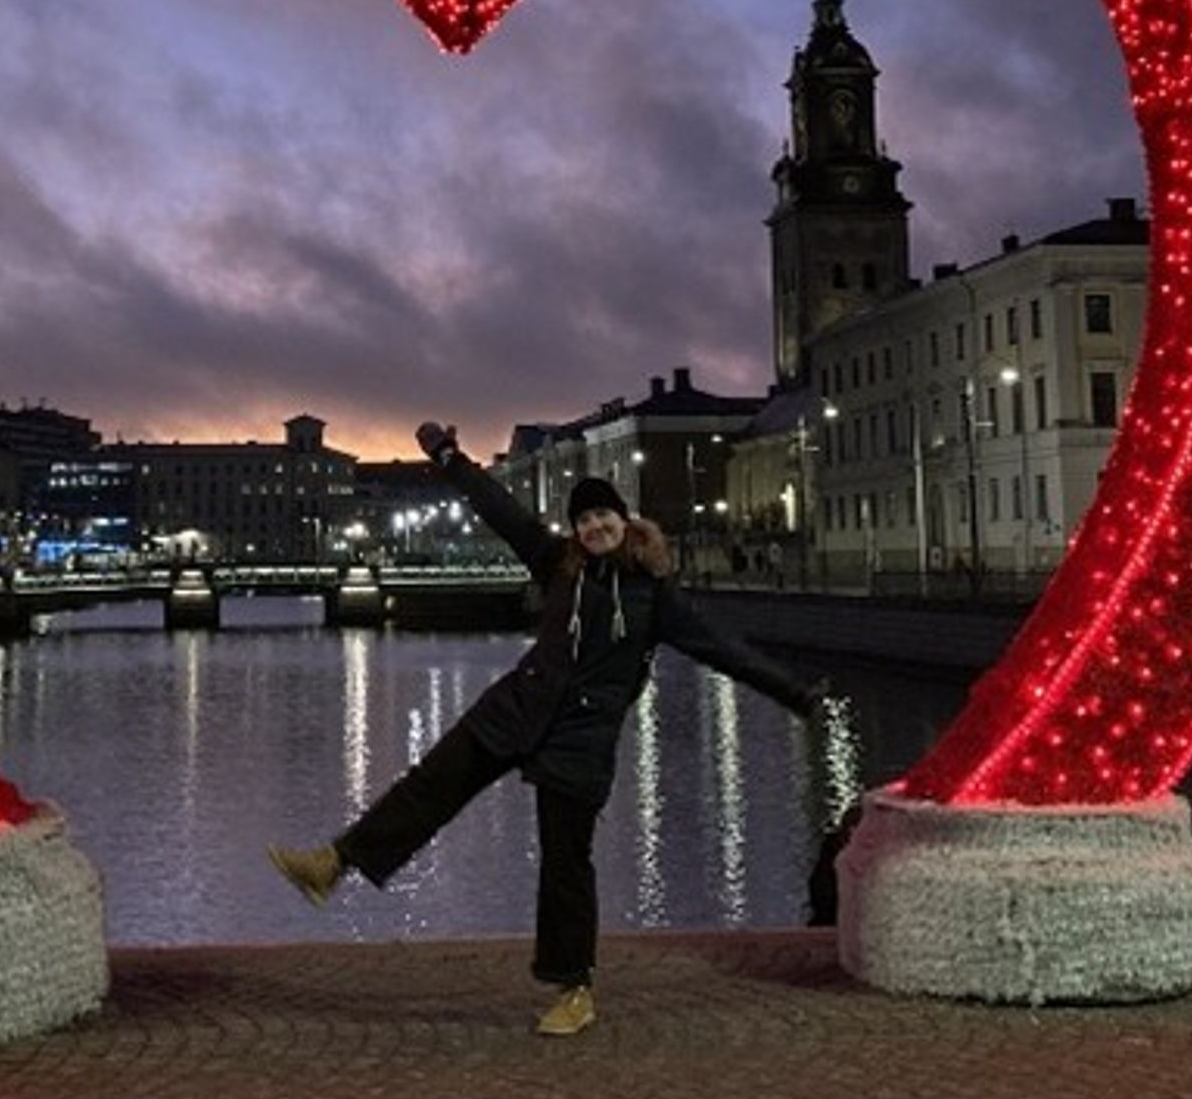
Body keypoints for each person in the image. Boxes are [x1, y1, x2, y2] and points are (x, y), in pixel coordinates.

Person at [270, 422, 826, 1037]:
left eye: (603, 517)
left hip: (581, 739)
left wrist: (793, 693)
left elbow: (722, 650)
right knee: (430, 784)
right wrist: (452, 458)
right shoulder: (555, 561)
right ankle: (333, 863)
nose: (594, 528)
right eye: (584, 520)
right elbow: (499, 508)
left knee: (566, 863)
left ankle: (575, 990)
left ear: (623, 519)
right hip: (517, 706)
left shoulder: (653, 594)